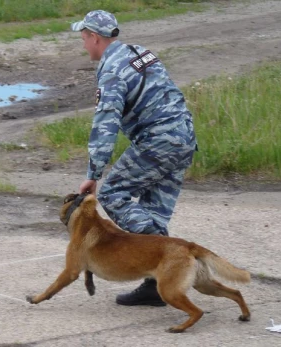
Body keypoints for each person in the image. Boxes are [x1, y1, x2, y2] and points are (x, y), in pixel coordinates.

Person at [71, 10, 197, 307]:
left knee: (114, 193)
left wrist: (94, 172)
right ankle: (156, 285)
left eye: (83, 38)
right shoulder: (140, 52)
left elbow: (106, 122)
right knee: (153, 210)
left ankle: (164, 253)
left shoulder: (111, 68)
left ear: (95, 37)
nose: (83, 45)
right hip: (184, 137)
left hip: (159, 141)